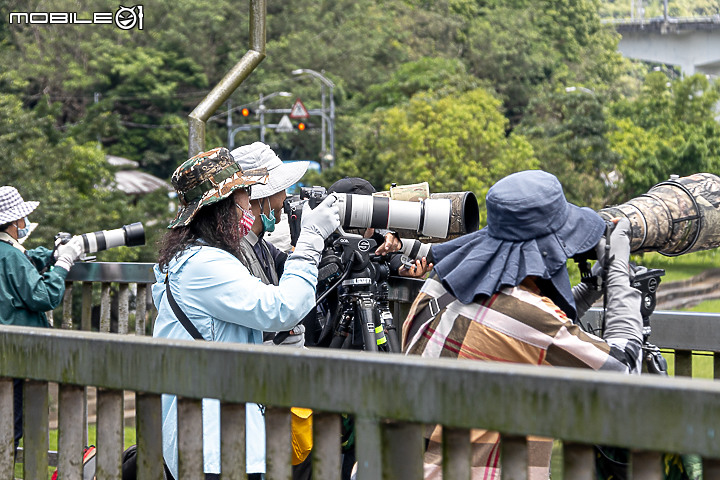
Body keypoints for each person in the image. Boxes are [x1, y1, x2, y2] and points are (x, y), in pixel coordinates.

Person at [402, 170, 643, 480]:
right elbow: (627, 372)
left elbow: (530, 330)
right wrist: (618, 270)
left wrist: (591, 286)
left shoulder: (441, 283)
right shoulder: (530, 318)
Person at [152, 147, 340, 480]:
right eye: (244, 196)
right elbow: (281, 309)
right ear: (221, 207)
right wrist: (310, 241)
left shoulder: (190, 259)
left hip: (207, 436)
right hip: (217, 445)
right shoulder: (205, 265)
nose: (248, 206)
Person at [0, 186, 84, 453]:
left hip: (6, 353)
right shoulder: (9, 255)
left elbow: (24, 262)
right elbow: (42, 296)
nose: (25, 225)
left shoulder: (8, 253)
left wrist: (50, 254)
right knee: (9, 431)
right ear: (14, 223)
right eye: (22, 220)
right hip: (15, 355)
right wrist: (62, 265)